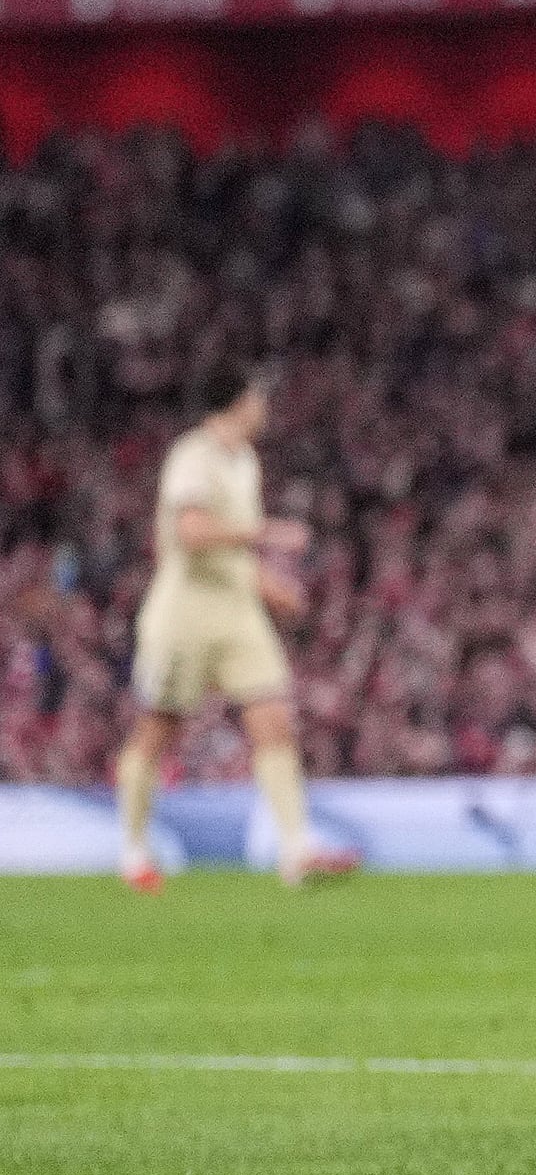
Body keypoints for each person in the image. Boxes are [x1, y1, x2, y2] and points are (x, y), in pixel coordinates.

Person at [115, 368, 355, 890]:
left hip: (236, 609)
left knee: (272, 716)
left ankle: (296, 850)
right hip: (184, 613)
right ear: (238, 401)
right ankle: (133, 851)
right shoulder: (192, 456)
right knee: (159, 729)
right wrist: (268, 534)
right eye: (257, 396)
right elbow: (191, 533)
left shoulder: (244, 461)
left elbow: (229, 552)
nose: (265, 405)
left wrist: (266, 583)